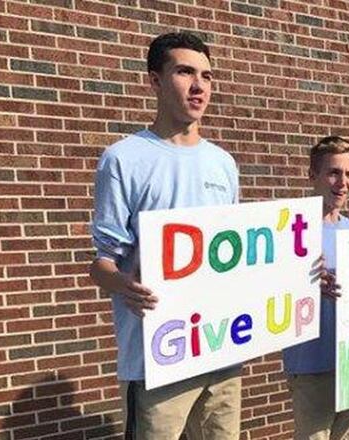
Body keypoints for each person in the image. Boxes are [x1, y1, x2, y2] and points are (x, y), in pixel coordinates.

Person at [89, 32, 242, 439]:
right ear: (155, 80)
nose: (199, 86)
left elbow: (237, 254)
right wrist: (124, 283)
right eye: (185, 72)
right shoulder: (124, 158)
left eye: (207, 76)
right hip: (158, 358)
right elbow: (101, 263)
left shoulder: (223, 164)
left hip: (220, 351)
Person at [282, 136, 349, 440]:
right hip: (310, 363)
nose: (342, 182)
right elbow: (269, 293)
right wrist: (304, 283)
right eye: (334, 172)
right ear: (312, 175)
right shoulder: (290, 231)